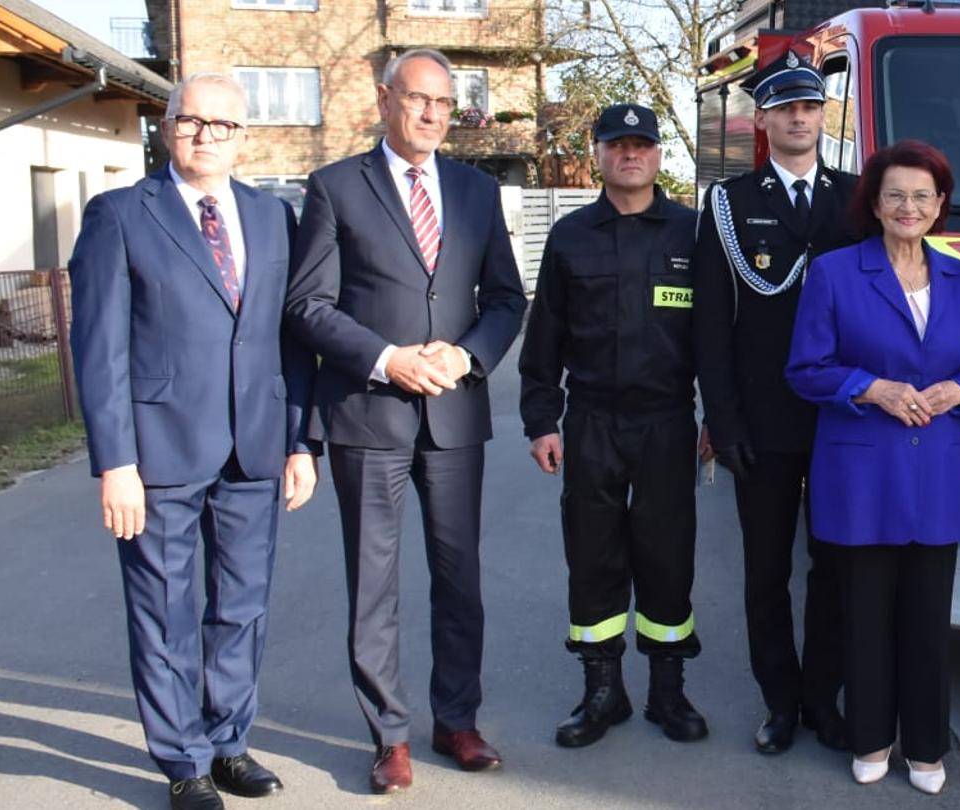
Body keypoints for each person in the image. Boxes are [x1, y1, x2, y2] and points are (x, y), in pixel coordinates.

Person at [67, 73, 317, 810]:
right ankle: (183, 760)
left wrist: (299, 442)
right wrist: (115, 463)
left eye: (224, 125)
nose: (207, 134)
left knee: (242, 606)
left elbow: (291, 339)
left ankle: (230, 741)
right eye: (192, 120)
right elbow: (99, 347)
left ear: (244, 136)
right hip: (158, 451)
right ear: (166, 124)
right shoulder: (119, 214)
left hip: (255, 447)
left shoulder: (273, 216)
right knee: (166, 610)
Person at [284, 48, 526, 794]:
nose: (432, 115)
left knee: (459, 579)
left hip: (454, 418)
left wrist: (467, 359)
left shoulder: (477, 190)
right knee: (374, 584)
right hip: (367, 415)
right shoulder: (334, 188)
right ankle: (388, 735)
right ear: (384, 100)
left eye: (445, 105)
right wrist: (387, 359)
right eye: (419, 99)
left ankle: (456, 720)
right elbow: (306, 306)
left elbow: (507, 300)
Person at [784, 140, 960, 795]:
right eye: (896, 194)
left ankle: (927, 748)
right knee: (865, 617)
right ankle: (870, 736)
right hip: (860, 474)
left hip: (936, 472)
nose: (909, 206)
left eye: (922, 196)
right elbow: (805, 368)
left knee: (929, 622)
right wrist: (871, 389)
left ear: (940, 207)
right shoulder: (837, 273)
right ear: (873, 203)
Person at [518, 103, 707, 749]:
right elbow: (543, 339)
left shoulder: (692, 233)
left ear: (659, 156)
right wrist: (542, 421)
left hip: (667, 422)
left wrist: (720, 419)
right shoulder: (571, 236)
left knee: (667, 554)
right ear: (597, 154)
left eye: (642, 145)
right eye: (616, 144)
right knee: (593, 556)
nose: (630, 155)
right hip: (593, 419)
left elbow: (716, 339)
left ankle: (667, 691)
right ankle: (603, 692)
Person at [692, 50, 860, 754]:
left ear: (824, 115)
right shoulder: (730, 204)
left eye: (811, 105)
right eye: (786, 107)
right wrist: (723, 423)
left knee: (836, 568)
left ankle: (824, 698)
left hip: (843, 422)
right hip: (761, 422)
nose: (800, 117)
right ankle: (780, 701)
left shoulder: (857, 197)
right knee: (766, 572)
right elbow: (710, 324)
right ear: (760, 120)